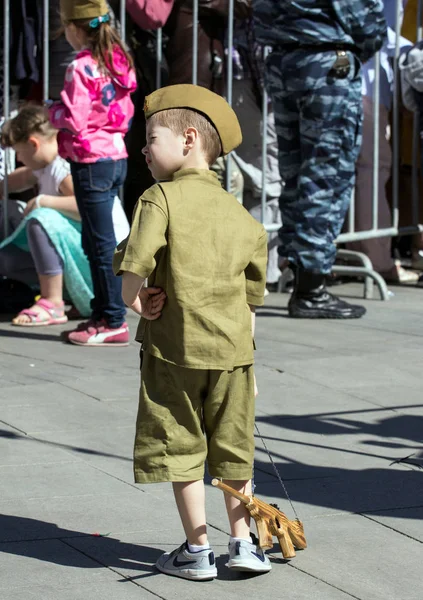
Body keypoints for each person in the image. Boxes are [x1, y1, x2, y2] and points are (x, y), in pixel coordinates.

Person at [113, 84, 270, 580]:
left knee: (181, 447)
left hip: (173, 353)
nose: (142, 150)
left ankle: (198, 550)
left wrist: (132, 298)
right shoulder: (242, 216)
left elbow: (135, 262)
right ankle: (243, 544)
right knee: (233, 446)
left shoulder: (158, 197)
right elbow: (250, 300)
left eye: (150, 138)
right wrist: (250, 358)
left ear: (186, 140)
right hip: (234, 356)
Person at [253, 0, 387, 318]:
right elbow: (367, 22)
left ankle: (303, 276)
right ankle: (311, 289)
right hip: (326, 63)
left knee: (296, 174)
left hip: (285, 62)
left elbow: (258, 15)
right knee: (325, 177)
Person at [48, 0, 137, 347]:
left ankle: (113, 319)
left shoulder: (81, 66)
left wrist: (50, 111)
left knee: (99, 245)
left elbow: (73, 118)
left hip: (89, 161)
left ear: (72, 28)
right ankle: (102, 311)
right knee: (97, 240)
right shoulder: (118, 58)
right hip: (116, 156)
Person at [0, 105, 91, 324]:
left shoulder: (62, 168)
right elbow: (17, 180)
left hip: (96, 265)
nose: (19, 158)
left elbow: (86, 207)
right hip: (80, 259)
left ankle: (53, 301)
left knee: (40, 219)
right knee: (6, 258)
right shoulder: (44, 166)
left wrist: (43, 201)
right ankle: (67, 294)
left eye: (19, 152)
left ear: (33, 144)